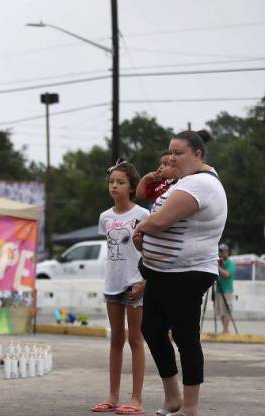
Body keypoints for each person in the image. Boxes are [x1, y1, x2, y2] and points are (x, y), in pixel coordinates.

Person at [133, 130, 227, 416]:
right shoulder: (184, 181)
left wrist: (141, 228)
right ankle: (172, 396)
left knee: (186, 339)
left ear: (197, 155)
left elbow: (160, 221)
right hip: (162, 272)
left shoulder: (201, 184)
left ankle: (190, 407)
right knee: (151, 329)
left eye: (179, 152)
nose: (172, 157)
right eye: (170, 152)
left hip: (187, 273)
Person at [92, 161, 149, 415]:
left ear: (132, 187)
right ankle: (112, 396)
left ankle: (136, 399)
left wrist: (144, 282)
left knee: (135, 339)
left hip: (135, 282)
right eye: (111, 182)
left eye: (120, 182)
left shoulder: (143, 215)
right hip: (112, 283)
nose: (114, 186)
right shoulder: (105, 217)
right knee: (116, 339)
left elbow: (149, 252)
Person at [215, 243, 236, 334]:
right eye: (220, 251)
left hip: (227, 291)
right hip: (219, 290)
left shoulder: (230, 263)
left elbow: (227, 274)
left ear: (227, 252)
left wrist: (217, 267)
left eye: (223, 251)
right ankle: (224, 329)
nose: (221, 253)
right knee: (220, 312)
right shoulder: (218, 261)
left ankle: (226, 330)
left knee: (227, 311)